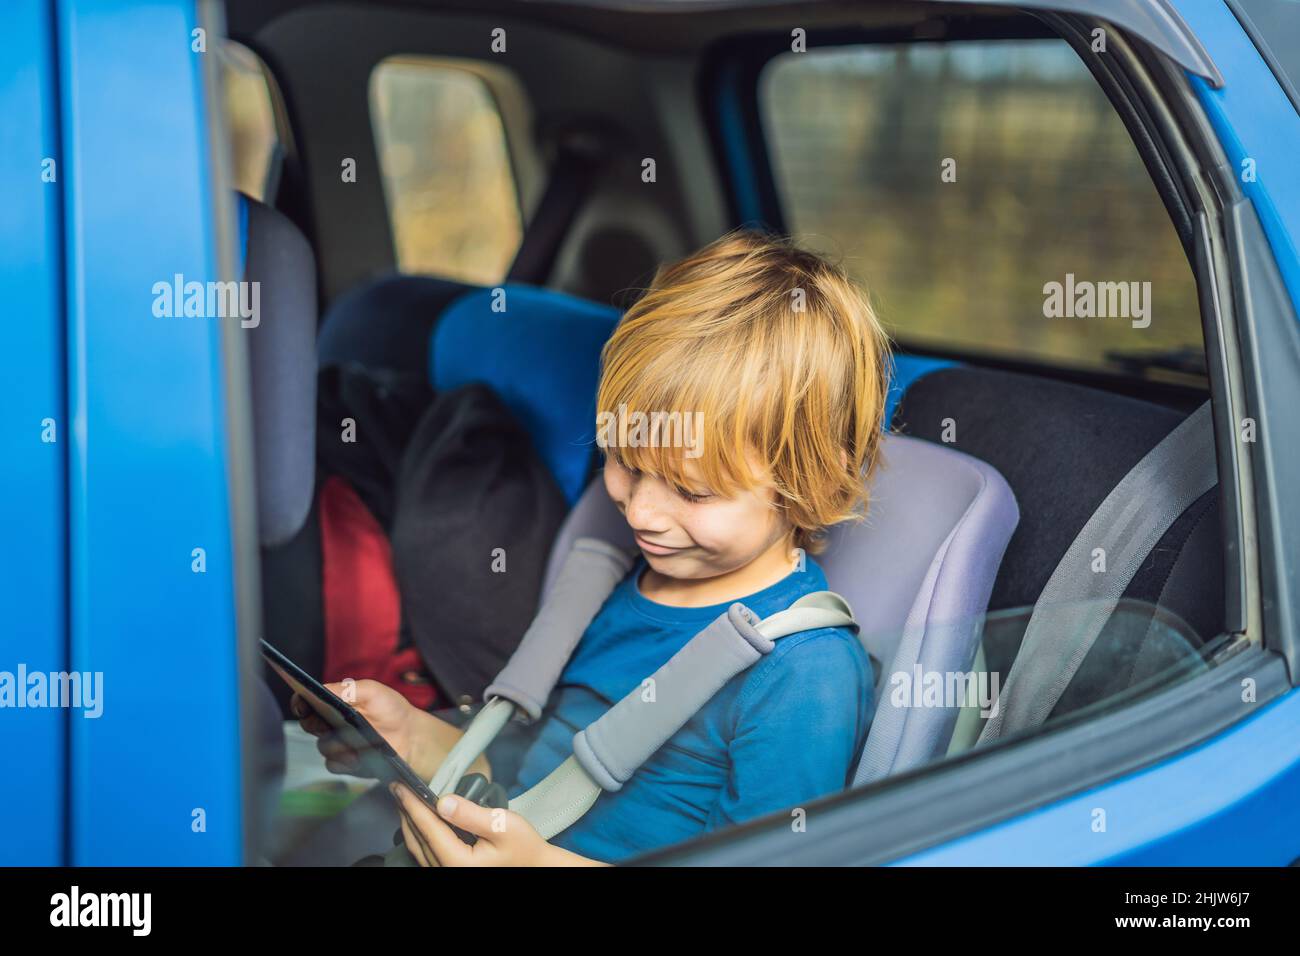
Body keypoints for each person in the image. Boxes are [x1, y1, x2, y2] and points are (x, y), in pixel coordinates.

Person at [293, 229, 892, 865]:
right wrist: (413, 737)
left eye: (692, 493)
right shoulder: (619, 582)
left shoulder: (804, 673)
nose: (640, 510)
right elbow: (536, 773)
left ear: (810, 489)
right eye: (626, 464)